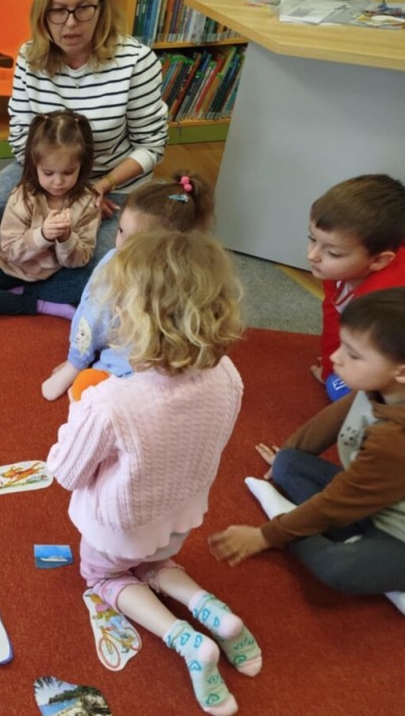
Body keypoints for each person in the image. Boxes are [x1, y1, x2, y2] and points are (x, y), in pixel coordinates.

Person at [46, 230, 257, 716]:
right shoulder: (228, 375)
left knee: (103, 576)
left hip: (120, 526)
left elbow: (67, 472)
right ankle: (214, 613)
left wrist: (79, 407)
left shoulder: (110, 402)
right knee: (155, 562)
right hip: (180, 514)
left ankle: (186, 639)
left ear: (134, 320)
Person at [209, 286, 405, 621]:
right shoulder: (386, 386)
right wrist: (290, 453)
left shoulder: (402, 443)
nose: (336, 358)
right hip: (372, 501)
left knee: (338, 568)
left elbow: (339, 501)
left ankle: (287, 516)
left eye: (353, 355)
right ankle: (340, 538)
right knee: (288, 463)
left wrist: (267, 536)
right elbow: (334, 418)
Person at [0, 0, 168, 269]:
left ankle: (50, 270)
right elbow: (21, 137)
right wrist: (56, 194)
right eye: (58, 10)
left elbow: (151, 146)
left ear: (102, 8)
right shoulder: (30, 57)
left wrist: (101, 186)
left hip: (110, 181)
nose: (70, 23)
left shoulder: (136, 61)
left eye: (83, 8)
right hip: (49, 174)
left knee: (105, 256)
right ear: (43, 13)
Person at [41, 170, 215, 400]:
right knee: (90, 390)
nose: (122, 246)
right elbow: (93, 318)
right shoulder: (114, 267)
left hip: (158, 360)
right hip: (119, 352)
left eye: (137, 243)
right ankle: (79, 367)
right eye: (121, 231)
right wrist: (77, 360)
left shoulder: (191, 275)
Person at [0, 110, 99, 319]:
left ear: (82, 166)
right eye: (48, 173)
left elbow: (79, 260)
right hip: (13, 270)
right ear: (35, 165)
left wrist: (66, 238)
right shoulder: (23, 196)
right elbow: (10, 251)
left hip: (55, 273)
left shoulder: (87, 202)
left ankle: (21, 295)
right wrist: (42, 235)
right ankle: (39, 303)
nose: (58, 182)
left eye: (68, 172)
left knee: (90, 282)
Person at [306, 174, 405, 400]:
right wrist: (329, 368)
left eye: (333, 253)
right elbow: (335, 317)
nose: (312, 255)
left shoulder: (395, 303)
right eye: (312, 239)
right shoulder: (336, 270)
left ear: (379, 260)